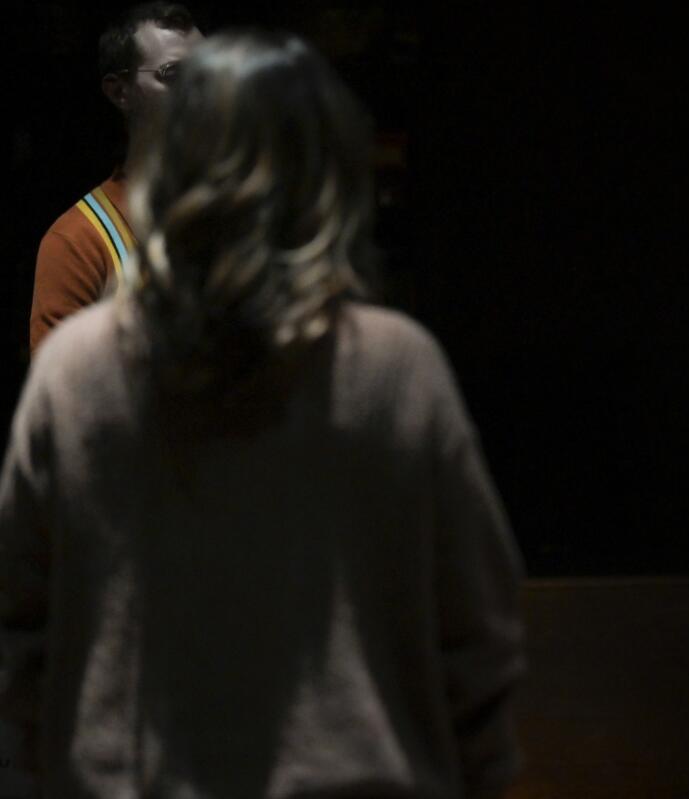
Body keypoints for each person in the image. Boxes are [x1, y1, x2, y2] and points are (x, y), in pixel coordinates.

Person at [0, 31, 524, 797]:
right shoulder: (392, 367)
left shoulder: (77, 371)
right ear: (328, 178)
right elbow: (478, 635)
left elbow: (20, 623)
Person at [29, 2, 203, 353]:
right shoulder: (77, 243)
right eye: (174, 74)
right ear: (119, 92)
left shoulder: (245, 208)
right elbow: (64, 402)